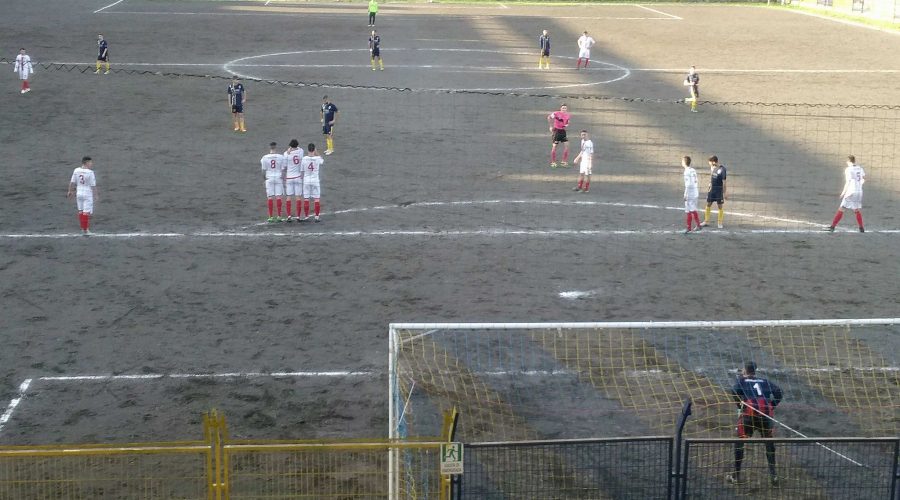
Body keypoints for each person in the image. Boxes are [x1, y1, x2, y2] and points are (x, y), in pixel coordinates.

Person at [727, 361, 783, 486]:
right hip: (765, 416)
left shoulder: (741, 381)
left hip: (749, 416)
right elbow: (779, 392)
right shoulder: (765, 381)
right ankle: (773, 475)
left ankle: (736, 475)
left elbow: (734, 391)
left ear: (745, 370)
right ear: (755, 371)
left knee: (740, 443)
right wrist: (772, 405)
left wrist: (740, 405)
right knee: (769, 443)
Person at [827, 155, 866, 233]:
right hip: (859, 192)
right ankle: (861, 228)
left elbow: (848, 182)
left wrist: (843, 193)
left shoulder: (848, 169)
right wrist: (859, 185)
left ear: (848, 161)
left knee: (842, 208)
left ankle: (832, 227)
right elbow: (864, 179)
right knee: (856, 210)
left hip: (851, 192)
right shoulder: (860, 168)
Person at [67, 156, 99, 236]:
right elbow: (93, 186)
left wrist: (70, 191)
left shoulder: (76, 170)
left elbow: (72, 182)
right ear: (86, 162)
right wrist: (95, 195)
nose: (92, 164)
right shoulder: (90, 173)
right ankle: (86, 230)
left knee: (81, 211)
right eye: (90, 162)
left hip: (79, 193)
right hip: (87, 194)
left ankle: (82, 228)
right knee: (86, 212)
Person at [261, 142, 287, 223]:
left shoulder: (264, 157)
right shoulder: (281, 157)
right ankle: (279, 216)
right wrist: (282, 177)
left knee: (270, 197)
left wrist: (265, 179)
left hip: (269, 178)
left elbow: (263, 171)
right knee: (278, 197)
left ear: (270, 147)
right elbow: (284, 169)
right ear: (275, 147)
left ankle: (271, 217)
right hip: (278, 178)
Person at [300, 143, 325, 222]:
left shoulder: (304, 159)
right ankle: (317, 217)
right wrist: (317, 153)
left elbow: (301, 171)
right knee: (317, 199)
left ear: (308, 150)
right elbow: (322, 160)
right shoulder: (317, 158)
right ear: (314, 150)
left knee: (306, 199)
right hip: (315, 181)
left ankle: (307, 216)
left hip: (306, 180)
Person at [700, 155, 727, 229]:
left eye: (710, 163)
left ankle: (720, 222)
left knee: (720, 206)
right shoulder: (712, 167)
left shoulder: (722, 169)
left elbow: (724, 182)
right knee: (708, 204)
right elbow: (711, 176)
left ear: (714, 162)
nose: (709, 164)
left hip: (719, 190)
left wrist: (725, 193)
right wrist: (710, 185)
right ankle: (706, 221)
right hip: (712, 190)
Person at [284, 139, 305, 222]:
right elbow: (299, 148)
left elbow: (285, 166)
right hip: (298, 177)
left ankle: (289, 216)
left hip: (289, 177)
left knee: (288, 197)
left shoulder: (286, 154)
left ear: (290, 146)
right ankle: (298, 216)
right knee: (298, 197)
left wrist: (289, 150)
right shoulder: (301, 151)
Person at [682, 156, 702, 233]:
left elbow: (688, 184)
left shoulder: (686, 172)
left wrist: (685, 194)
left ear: (684, 162)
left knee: (688, 211)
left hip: (690, 193)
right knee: (693, 209)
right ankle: (698, 225)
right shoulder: (693, 170)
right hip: (695, 192)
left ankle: (688, 228)